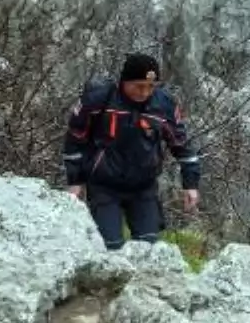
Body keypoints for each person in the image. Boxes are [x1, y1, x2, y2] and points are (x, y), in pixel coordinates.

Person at [62, 52, 202, 248]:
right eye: (139, 86)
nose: (144, 92)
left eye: (151, 87)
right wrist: (75, 182)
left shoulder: (164, 105)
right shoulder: (98, 99)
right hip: (103, 185)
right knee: (110, 247)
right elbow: (75, 138)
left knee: (149, 249)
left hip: (144, 187)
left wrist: (191, 184)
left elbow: (181, 145)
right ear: (124, 81)